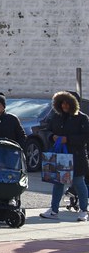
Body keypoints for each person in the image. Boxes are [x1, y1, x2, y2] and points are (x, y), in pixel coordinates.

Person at [39, 91, 89, 221]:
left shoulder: (82, 118)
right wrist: (52, 136)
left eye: (67, 103)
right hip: (59, 155)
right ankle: (54, 210)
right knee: (58, 183)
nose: (64, 105)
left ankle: (84, 210)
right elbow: (46, 129)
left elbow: (85, 137)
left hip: (76, 156)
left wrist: (69, 139)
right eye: (62, 103)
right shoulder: (56, 116)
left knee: (79, 182)